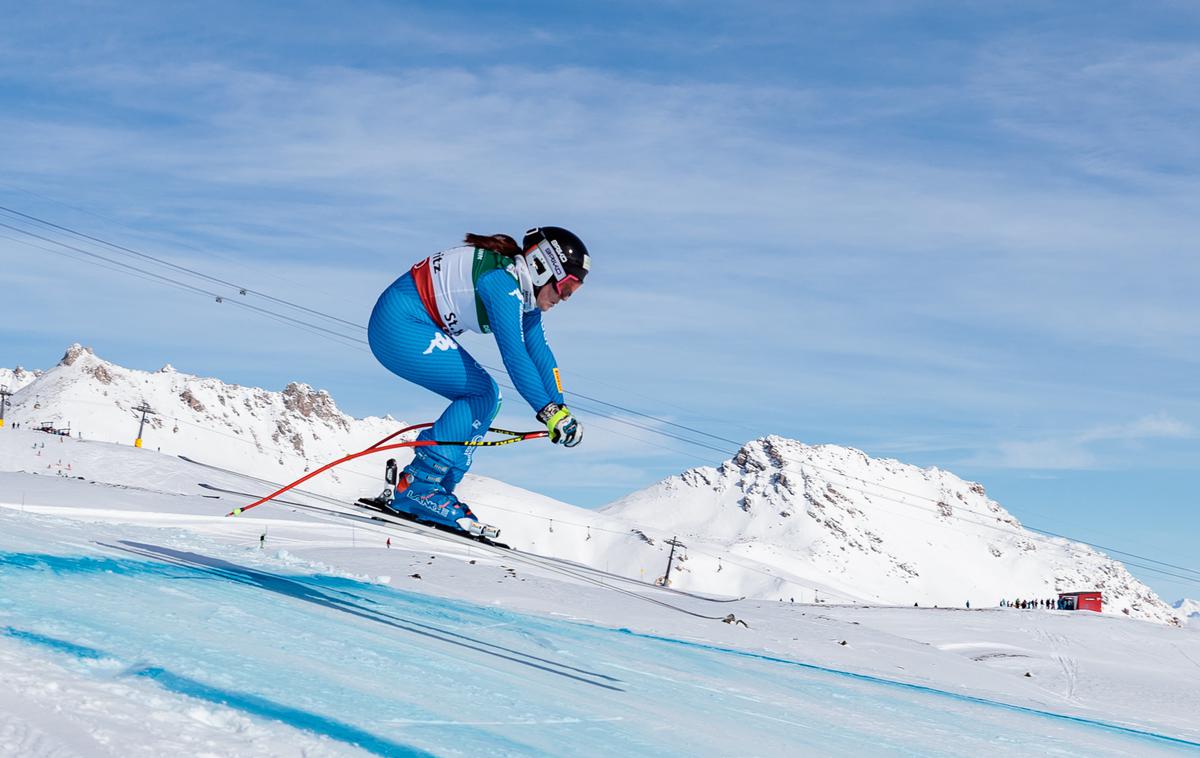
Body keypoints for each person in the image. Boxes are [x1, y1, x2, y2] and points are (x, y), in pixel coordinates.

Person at [368, 228, 589, 537]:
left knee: (487, 398)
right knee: (483, 394)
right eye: (565, 289)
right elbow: (514, 355)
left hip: (407, 323)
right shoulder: (501, 283)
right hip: (399, 325)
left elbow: (540, 353)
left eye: (572, 293)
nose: (564, 299)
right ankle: (418, 487)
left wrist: (560, 409)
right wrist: (549, 413)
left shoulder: (521, 289)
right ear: (541, 267)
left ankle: (435, 489)